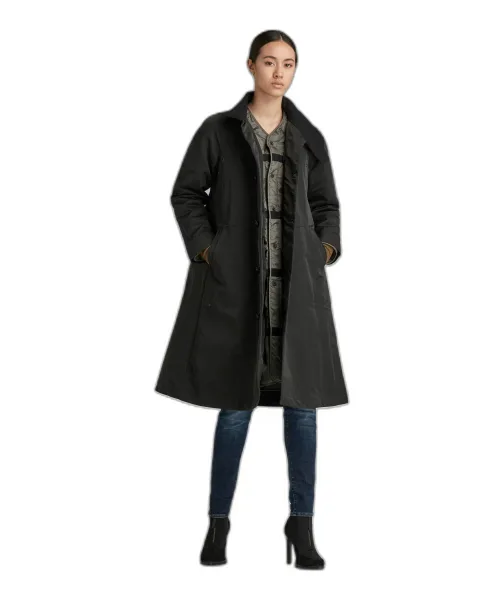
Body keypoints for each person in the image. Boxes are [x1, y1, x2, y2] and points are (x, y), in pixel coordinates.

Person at [155, 30, 349, 570]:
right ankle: (218, 525)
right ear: (250, 66)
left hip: (296, 292)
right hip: (239, 291)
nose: (279, 72)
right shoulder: (218, 130)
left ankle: (302, 526)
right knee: (234, 409)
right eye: (269, 62)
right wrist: (207, 249)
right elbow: (186, 193)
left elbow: (326, 204)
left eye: (289, 63)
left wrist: (323, 250)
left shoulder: (307, 136)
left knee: (303, 410)